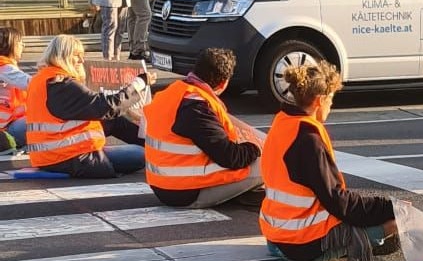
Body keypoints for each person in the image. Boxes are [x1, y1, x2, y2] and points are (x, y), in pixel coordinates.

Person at [259, 60, 399, 261]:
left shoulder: (282, 122)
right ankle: (372, 238)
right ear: (319, 100)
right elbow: (338, 202)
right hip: (303, 244)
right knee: (394, 224)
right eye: (331, 100)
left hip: (275, 235)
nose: (331, 106)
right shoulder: (309, 139)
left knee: (370, 214)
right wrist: (390, 207)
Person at [143, 48, 263, 208]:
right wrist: (256, 148)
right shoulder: (198, 107)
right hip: (184, 191)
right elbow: (230, 157)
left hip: (162, 184)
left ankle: (238, 192)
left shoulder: (174, 93)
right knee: (269, 162)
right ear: (224, 82)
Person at [25, 35, 148, 178]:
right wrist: (138, 84)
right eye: (77, 55)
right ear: (62, 56)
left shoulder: (43, 79)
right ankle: (153, 148)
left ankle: (151, 143)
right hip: (68, 156)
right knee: (140, 155)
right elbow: (106, 107)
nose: (82, 60)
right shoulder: (62, 84)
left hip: (49, 154)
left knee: (113, 121)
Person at [0, 27, 30, 152]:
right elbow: (34, 84)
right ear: (10, 45)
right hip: (6, 131)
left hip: (10, 126)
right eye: (20, 43)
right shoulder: (5, 69)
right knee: (44, 120)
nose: (23, 46)